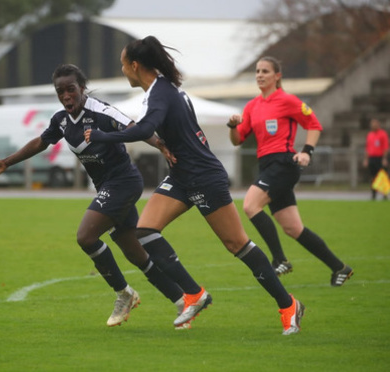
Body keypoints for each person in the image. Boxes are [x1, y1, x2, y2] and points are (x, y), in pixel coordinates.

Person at [85, 36, 304, 335]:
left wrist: (102, 136)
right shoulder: (160, 89)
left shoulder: (160, 92)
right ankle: (194, 294)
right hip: (181, 175)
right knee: (145, 231)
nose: (123, 71)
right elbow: (164, 128)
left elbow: (146, 128)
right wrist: (163, 145)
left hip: (203, 175)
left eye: (123, 65)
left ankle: (288, 304)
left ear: (135, 66)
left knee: (236, 244)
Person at [0, 64, 200, 328]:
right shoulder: (61, 120)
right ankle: (181, 302)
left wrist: (161, 145)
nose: (66, 96)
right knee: (136, 253)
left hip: (124, 182)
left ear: (82, 88)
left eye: (71, 89)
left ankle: (124, 294)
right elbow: (41, 141)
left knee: (86, 236)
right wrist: (7, 162)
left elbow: (134, 127)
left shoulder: (100, 111)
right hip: (107, 187)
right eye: (60, 91)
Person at [227, 56, 353, 286]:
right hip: (267, 165)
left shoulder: (288, 100)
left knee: (250, 205)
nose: (259, 75)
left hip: (283, 164)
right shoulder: (252, 106)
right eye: (257, 71)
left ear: (277, 76)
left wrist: (307, 152)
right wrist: (233, 126)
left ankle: (279, 260)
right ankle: (340, 268)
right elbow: (237, 140)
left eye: (265, 71)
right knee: (294, 228)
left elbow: (314, 125)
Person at [363, 117, 389, 200]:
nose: (373, 125)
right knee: (373, 177)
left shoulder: (383, 134)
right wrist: (366, 159)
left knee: (382, 176)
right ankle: (373, 194)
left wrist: (384, 158)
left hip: (380, 158)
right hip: (372, 158)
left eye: (375, 123)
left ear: (378, 124)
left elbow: (385, 147)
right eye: (372, 123)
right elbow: (368, 148)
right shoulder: (370, 135)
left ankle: (384, 194)